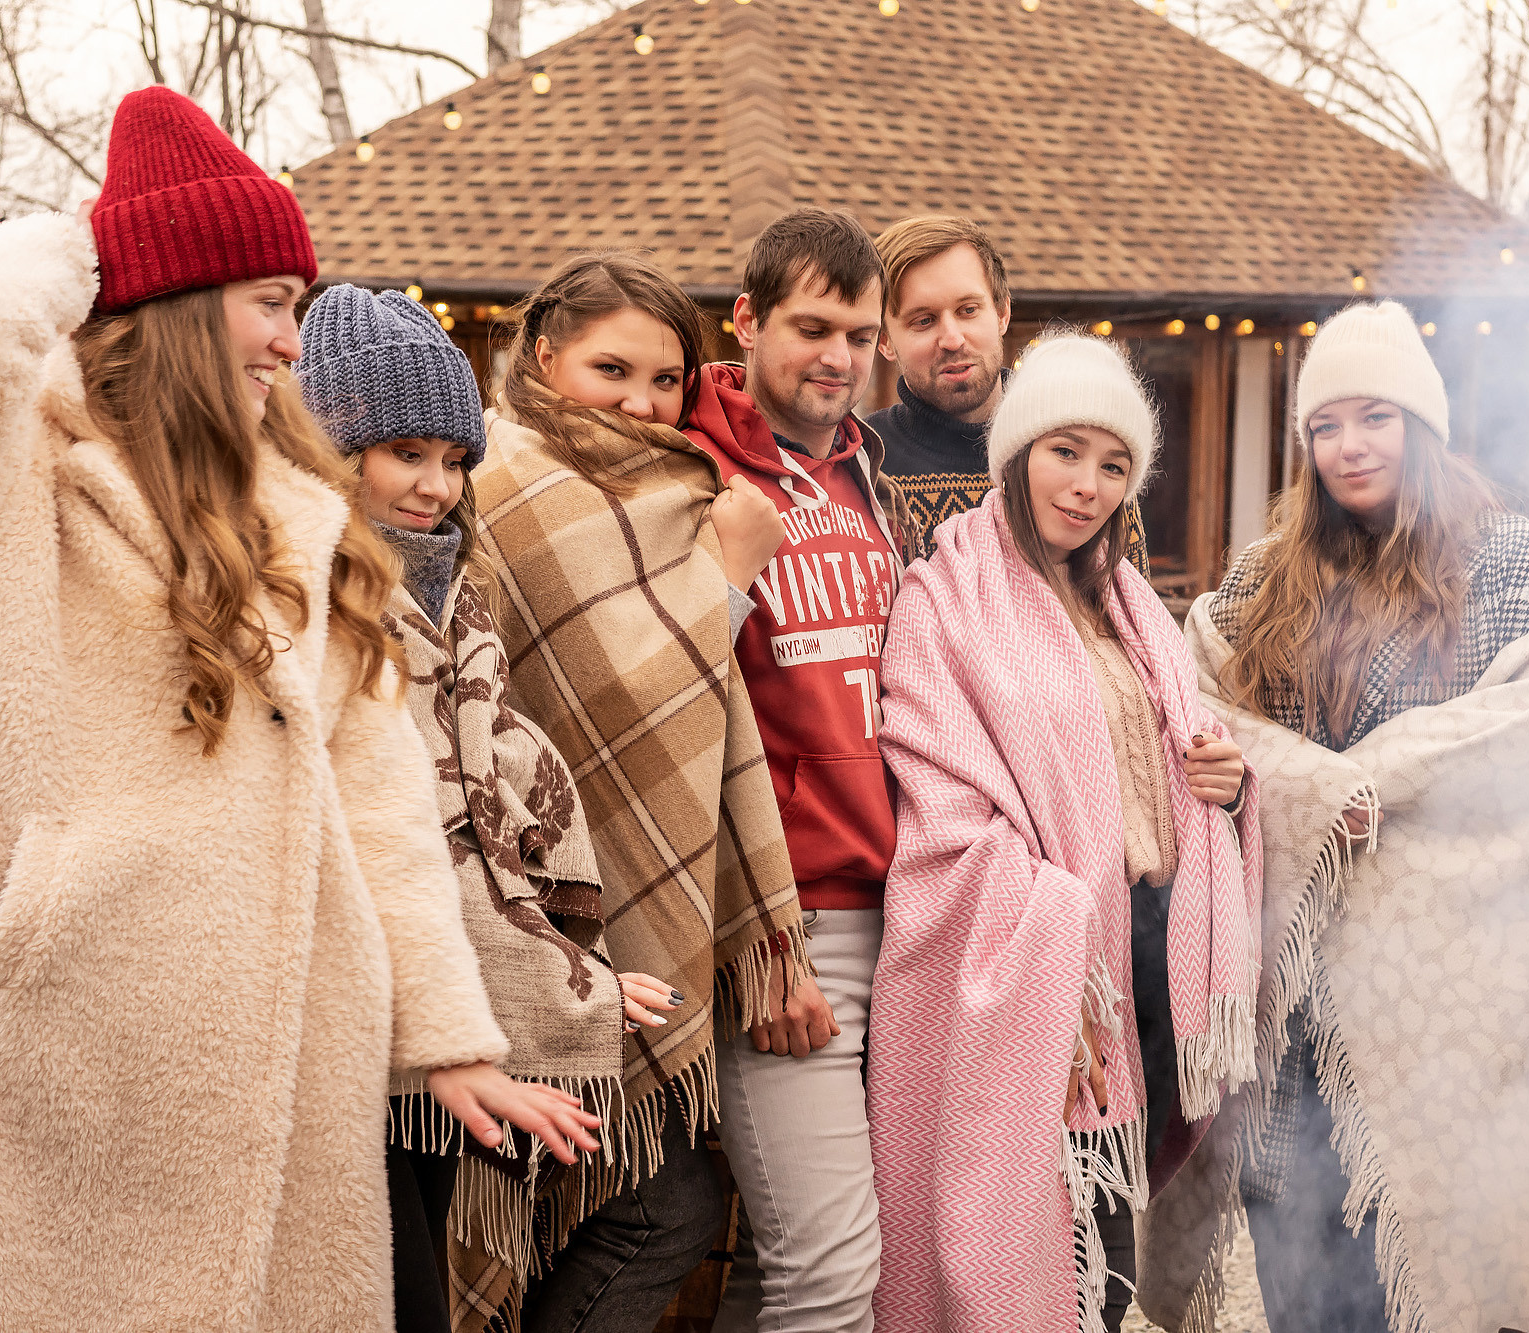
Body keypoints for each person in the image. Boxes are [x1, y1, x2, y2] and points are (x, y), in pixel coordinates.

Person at [0, 86, 595, 1333]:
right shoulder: (14, 478)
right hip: (77, 1032)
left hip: (291, 1040)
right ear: (181, 301)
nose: (289, 344)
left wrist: (447, 1030)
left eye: (296, 310)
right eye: (269, 302)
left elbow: (375, 804)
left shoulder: (305, 522)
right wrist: (115, 243)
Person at [1136, 301, 1529, 1333]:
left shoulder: (1509, 566)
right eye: (1324, 424)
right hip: (1299, 1029)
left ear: (1422, 426)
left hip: (1454, 1022)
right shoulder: (1261, 580)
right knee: (1307, 1295)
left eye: (1374, 416)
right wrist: (1303, 794)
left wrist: (1366, 782)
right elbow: (1195, 717)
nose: (1348, 444)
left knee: (1447, 1279)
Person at [295, 284, 685, 1333]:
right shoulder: (313, 596)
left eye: (454, 458)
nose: (435, 486)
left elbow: (490, 799)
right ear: (334, 447)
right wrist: (564, 982)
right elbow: (398, 826)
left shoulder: (454, 589)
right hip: (346, 1016)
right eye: (403, 453)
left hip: (433, 1010)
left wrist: (562, 955)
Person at [868, 335, 1261, 1333]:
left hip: (1150, 949)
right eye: (1064, 451)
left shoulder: (1128, 606)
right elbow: (945, 817)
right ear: (1015, 450)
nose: (1086, 486)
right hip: (1047, 956)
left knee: (1108, 1239)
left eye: (1112, 464)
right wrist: (1059, 941)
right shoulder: (940, 602)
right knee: (1064, 1240)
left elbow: (1162, 761)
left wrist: (1216, 778)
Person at [472, 252, 808, 1333]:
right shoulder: (502, 480)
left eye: (664, 381)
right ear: (541, 353)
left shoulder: (663, 491)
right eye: (610, 368)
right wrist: (729, 576)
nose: (639, 401)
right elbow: (622, 698)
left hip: (625, 914)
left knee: (648, 1202)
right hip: (524, 912)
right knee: (654, 1208)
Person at [677, 206, 905, 1333]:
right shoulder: (691, 468)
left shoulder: (870, 476)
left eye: (860, 335)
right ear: (745, 319)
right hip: (786, 925)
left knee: (785, 1270)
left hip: (899, 911)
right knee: (829, 1278)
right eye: (812, 327)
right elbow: (670, 716)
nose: (839, 358)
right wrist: (757, 944)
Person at [868, 214, 1149, 572]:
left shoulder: (1086, 446)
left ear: (1002, 313)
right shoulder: (864, 465)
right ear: (885, 341)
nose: (952, 339)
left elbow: (1130, 612)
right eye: (923, 320)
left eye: (968, 310)